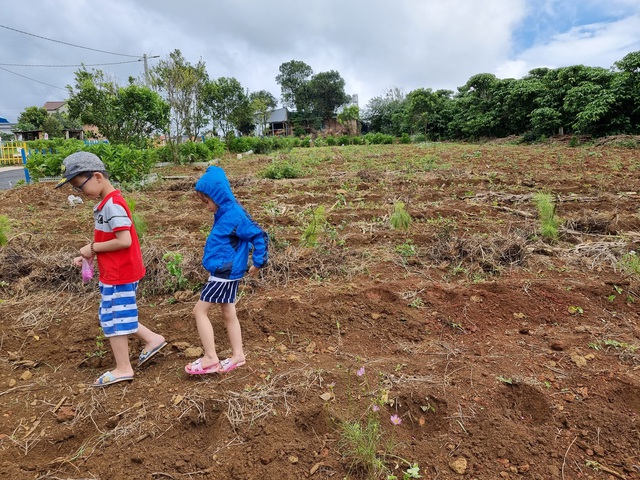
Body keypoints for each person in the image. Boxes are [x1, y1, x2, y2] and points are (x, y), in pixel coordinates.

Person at [55, 151, 166, 387]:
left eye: (78, 185)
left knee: (114, 318)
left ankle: (124, 368)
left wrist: (93, 247)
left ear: (97, 176)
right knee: (117, 313)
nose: (79, 192)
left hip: (120, 272)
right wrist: (90, 254)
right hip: (115, 271)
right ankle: (153, 339)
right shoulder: (105, 204)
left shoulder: (113, 205)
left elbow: (124, 240)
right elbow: (110, 240)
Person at [185, 166, 268, 375]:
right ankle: (238, 355)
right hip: (225, 272)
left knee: (199, 311)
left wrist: (258, 263)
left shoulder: (235, 215)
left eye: (207, 202)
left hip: (224, 274)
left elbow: (259, 235)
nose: (206, 207)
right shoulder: (224, 213)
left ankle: (210, 358)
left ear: (218, 196)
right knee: (228, 312)